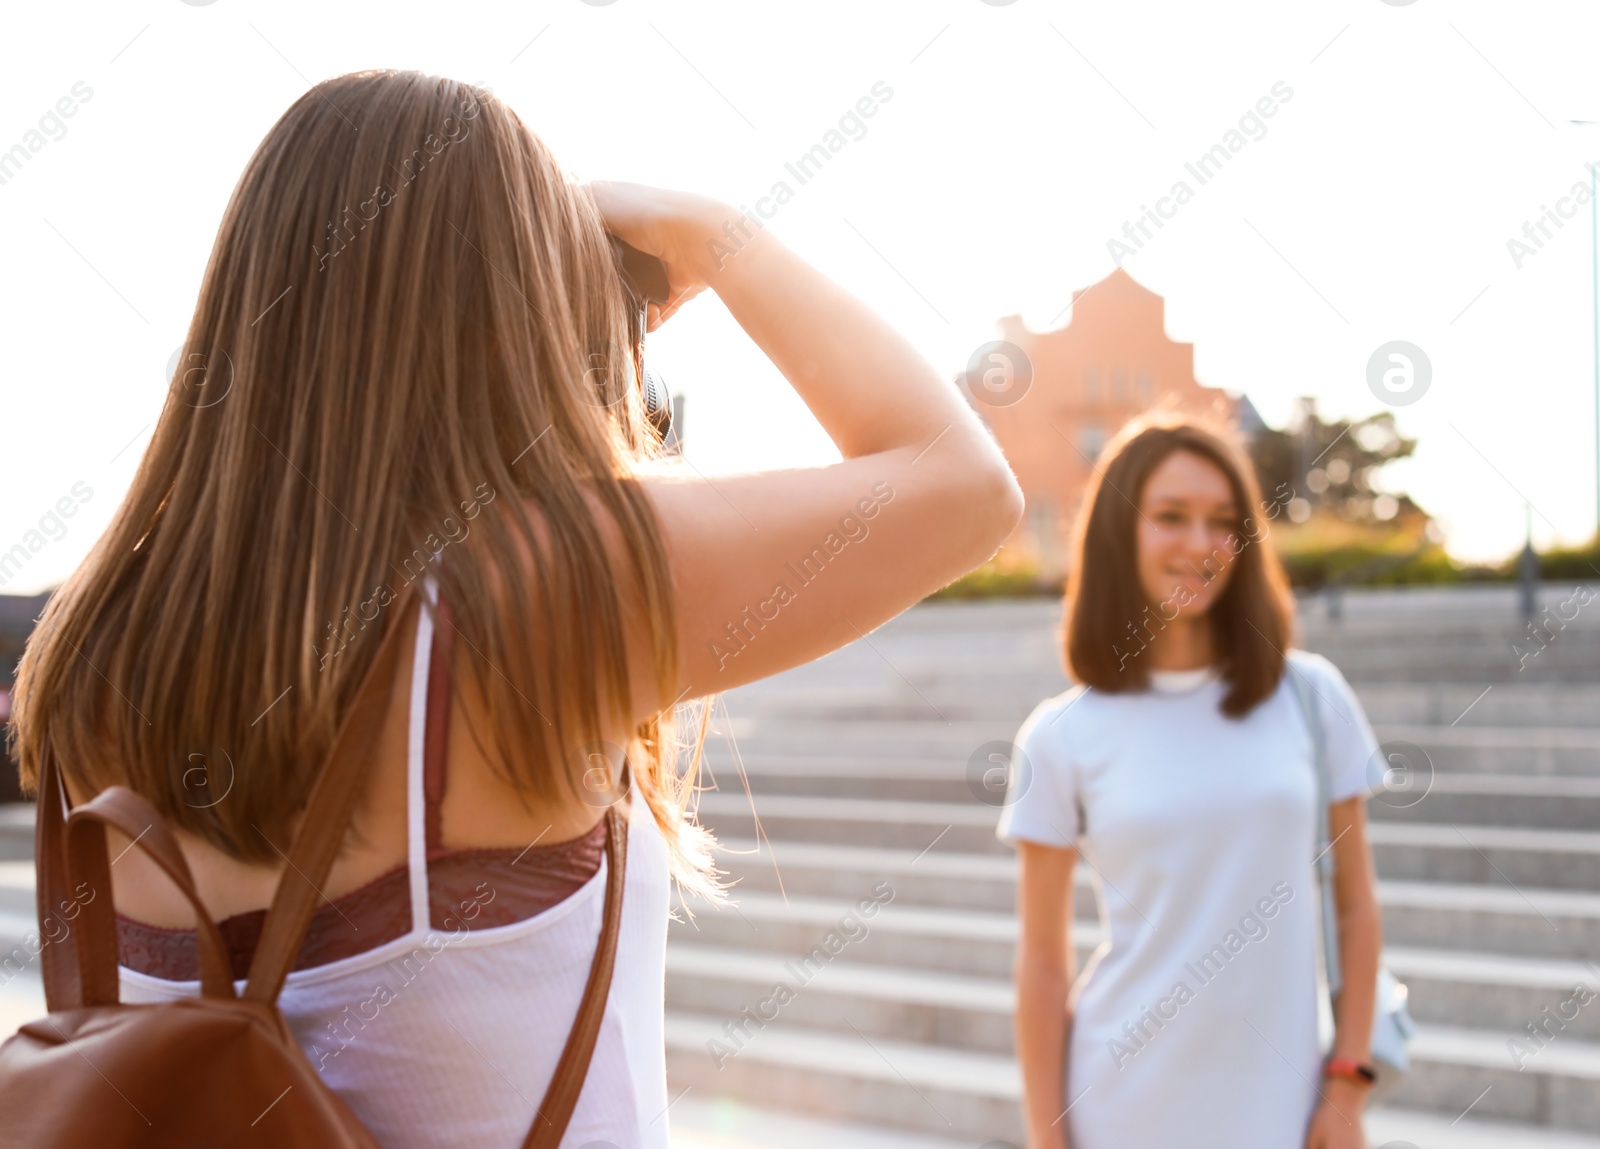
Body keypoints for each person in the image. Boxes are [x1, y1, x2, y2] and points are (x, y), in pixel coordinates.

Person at [7, 69, 1023, 1148]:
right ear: (514, 297)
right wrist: (710, 231)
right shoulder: (534, 587)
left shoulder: (98, 644)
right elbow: (963, 486)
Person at [1000, 414, 1382, 1149]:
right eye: (1171, 517)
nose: (1201, 544)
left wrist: (1346, 1085)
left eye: (1222, 522)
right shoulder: (1060, 734)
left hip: (1286, 1110)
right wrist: (1047, 1139)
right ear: (1120, 534)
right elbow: (1044, 964)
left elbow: (1357, 906)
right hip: (1120, 1107)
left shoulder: (1311, 696)